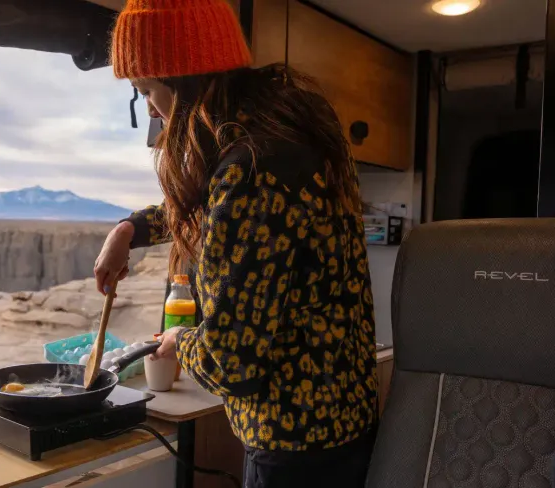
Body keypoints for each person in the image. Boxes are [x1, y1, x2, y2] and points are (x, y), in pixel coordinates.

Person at [94, 1, 378, 486]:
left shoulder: (252, 170)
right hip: (339, 416)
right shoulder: (278, 134)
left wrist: (178, 341)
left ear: (180, 80)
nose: (153, 113)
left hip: (297, 440)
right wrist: (130, 230)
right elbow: (215, 208)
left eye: (147, 92)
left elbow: (231, 363)